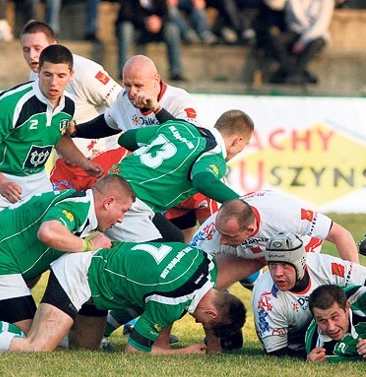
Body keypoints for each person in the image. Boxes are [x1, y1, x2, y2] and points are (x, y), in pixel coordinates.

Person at [0, 44, 103, 316]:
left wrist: (84, 162)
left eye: (61, 76)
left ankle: (4, 307)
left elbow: (59, 137)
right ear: (38, 72)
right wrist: (1, 183)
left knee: (36, 249)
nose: (54, 83)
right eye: (48, 75)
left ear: (71, 75)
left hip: (35, 181)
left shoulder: (68, 105)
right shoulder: (12, 104)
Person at [0, 174, 134, 349]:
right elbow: (48, 233)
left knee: (36, 332)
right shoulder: (79, 207)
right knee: (29, 338)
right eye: (123, 211)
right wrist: (88, 246)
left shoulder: (81, 206)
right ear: (108, 202)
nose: (122, 219)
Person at [0, 241, 247, 354]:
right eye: (204, 323)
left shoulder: (203, 262)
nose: (197, 322)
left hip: (97, 290)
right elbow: (135, 353)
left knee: (78, 349)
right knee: (37, 347)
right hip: (78, 276)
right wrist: (185, 352)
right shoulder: (175, 300)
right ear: (213, 315)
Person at [252, 232, 366, 357]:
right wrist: (308, 356)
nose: (277, 273)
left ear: (301, 263)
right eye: (272, 265)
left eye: (285, 266)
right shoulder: (266, 299)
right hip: (327, 330)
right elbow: (276, 351)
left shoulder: (321, 265)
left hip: (354, 305)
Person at [102, 109, 253, 243]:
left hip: (107, 184)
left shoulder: (180, 126)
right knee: (158, 263)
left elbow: (126, 138)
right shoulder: (214, 155)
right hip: (128, 204)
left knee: (173, 239)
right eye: (243, 146)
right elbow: (203, 181)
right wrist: (245, 204)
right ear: (237, 141)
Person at [63, 54, 200, 192]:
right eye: (127, 85)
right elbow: (107, 123)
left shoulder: (179, 100)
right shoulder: (124, 98)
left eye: (138, 85)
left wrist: (156, 109)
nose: (132, 92)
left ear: (156, 80)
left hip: (182, 179)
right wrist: (76, 130)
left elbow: (188, 140)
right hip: (149, 177)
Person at [18, 20, 123, 191]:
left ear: (54, 45)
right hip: (69, 166)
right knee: (48, 212)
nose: (32, 56)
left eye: (38, 48)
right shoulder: (34, 77)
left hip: (106, 158)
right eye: (26, 49)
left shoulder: (85, 72)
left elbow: (124, 105)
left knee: (110, 215)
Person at [189, 190, 359, 291]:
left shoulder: (287, 215)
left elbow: (341, 235)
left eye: (229, 236)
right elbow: (187, 273)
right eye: (221, 234)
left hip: (298, 245)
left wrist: (357, 286)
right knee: (205, 286)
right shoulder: (211, 232)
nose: (222, 241)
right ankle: (229, 330)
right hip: (253, 250)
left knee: (295, 294)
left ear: (249, 230)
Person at [264, 0, 335, 85]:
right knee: (276, 41)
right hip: (294, 31)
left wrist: (303, 41)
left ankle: (291, 74)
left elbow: (321, 24)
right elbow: (275, 5)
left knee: (317, 43)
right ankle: (297, 74)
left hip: (315, 34)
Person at [115, 0, 186, 81]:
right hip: (136, 30)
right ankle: (123, 71)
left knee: (172, 29)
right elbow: (125, 14)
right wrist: (146, 21)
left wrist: (159, 22)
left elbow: (166, 15)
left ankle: (175, 71)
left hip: (155, 31)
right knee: (125, 28)